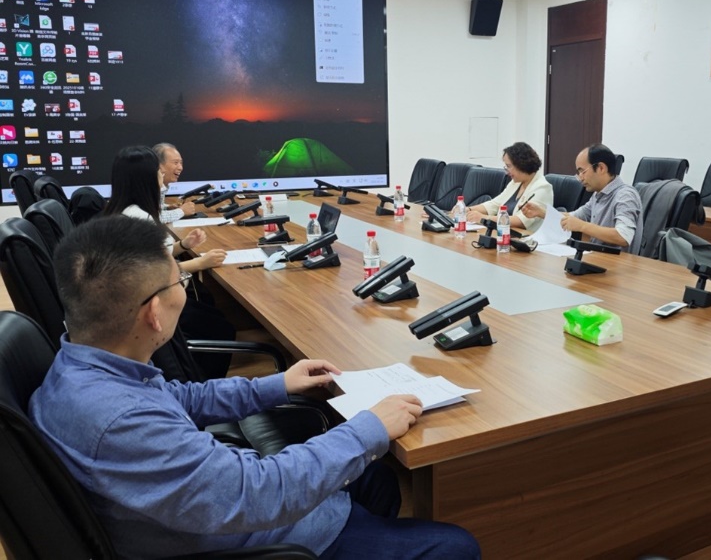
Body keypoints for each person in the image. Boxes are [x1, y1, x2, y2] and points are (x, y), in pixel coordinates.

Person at [29, 215, 481, 559]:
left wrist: (277, 384)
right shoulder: (121, 420)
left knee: (377, 478)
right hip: (252, 537)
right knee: (456, 546)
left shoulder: (83, 366)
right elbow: (257, 493)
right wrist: (369, 427)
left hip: (209, 513)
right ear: (154, 314)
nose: (183, 287)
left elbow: (180, 397)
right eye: (180, 280)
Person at [104, 145, 225, 274]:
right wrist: (200, 263)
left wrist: (184, 245)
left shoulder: (122, 209)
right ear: (147, 178)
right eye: (159, 171)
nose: (162, 175)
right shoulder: (139, 218)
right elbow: (154, 273)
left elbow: (159, 256)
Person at [521, 144, 644, 255]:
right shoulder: (598, 195)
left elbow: (623, 236)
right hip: (598, 258)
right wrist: (542, 212)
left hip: (620, 266)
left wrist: (582, 226)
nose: (580, 178)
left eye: (582, 171)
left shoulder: (625, 195)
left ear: (601, 168)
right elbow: (572, 218)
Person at [465, 142, 553, 231]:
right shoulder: (516, 182)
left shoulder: (542, 188)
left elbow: (521, 221)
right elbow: (494, 204)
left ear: (521, 164)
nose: (506, 172)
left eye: (508, 166)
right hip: (505, 233)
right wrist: (468, 210)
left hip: (526, 237)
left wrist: (484, 218)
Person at [153, 142, 197, 223]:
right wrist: (182, 211)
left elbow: (152, 208)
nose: (180, 168)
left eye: (181, 163)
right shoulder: (147, 186)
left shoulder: (161, 185)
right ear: (158, 165)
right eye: (175, 163)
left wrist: (167, 207)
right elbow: (153, 218)